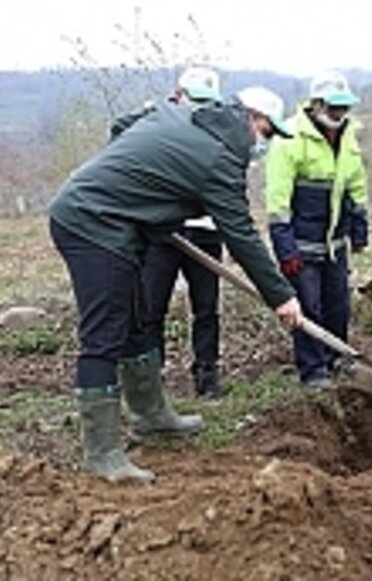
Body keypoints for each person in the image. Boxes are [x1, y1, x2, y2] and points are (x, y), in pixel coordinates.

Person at [48, 86, 302, 484]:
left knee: (136, 319)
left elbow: (122, 126)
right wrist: (282, 297)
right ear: (252, 119)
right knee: (104, 335)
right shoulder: (220, 158)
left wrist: (148, 191)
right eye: (268, 134)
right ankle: (103, 455)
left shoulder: (179, 114)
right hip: (91, 222)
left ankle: (151, 417)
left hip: (115, 223)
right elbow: (240, 234)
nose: (265, 146)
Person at [112, 66, 228, 399]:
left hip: (206, 232)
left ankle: (207, 372)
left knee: (206, 307)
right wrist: (149, 111)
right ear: (178, 94)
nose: (199, 108)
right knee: (152, 308)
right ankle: (152, 378)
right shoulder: (157, 124)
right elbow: (118, 130)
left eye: (207, 102)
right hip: (163, 233)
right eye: (194, 99)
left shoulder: (215, 131)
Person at [265, 70, 369, 388]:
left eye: (344, 107)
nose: (341, 113)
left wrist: (359, 228)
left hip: (334, 241)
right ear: (317, 104)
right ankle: (313, 370)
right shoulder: (290, 138)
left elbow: (356, 185)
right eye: (335, 107)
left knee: (338, 303)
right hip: (301, 241)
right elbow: (278, 200)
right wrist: (285, 248)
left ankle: (335, 359)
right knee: (307, 306)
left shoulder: (348, 136)